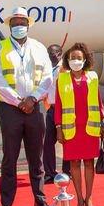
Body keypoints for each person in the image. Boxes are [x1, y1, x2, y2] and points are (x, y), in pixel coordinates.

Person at [0, 7, 54, 206]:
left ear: (28, 25)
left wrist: (33, 98)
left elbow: (47, 78)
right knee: (10, 157)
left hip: (35, 108)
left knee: (37, 158)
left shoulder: (39, 48)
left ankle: (40, 198)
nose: (19, 26)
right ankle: (6, 203)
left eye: (22, 23)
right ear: (9, 26)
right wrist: (19, 102)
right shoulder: (0, 49)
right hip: (10, 109)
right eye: (15, 23)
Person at [54, 43, 104, 206]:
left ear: (85, 60)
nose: (75, 60)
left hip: (90, 127)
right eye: (73, 58)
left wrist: (103, 122)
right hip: (71, 129)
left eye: (79, 58)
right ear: (68, 60)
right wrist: (58, 127)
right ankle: (79, 198)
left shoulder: (92, 77)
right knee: (74, 163)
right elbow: (58, 105)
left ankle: (89, 198)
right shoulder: (62, 79)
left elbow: (98, 102)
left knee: (89, 163)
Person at [43, 43, 64, 183]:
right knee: (48, 142)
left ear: (60, 54)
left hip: (64, 110)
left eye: (53, 53)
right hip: (51, 109)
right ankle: (50, 173)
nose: (51, 56)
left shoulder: (65, 69)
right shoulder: (47, 69)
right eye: (49, 53)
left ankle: (68, 171)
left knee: (66, 140)